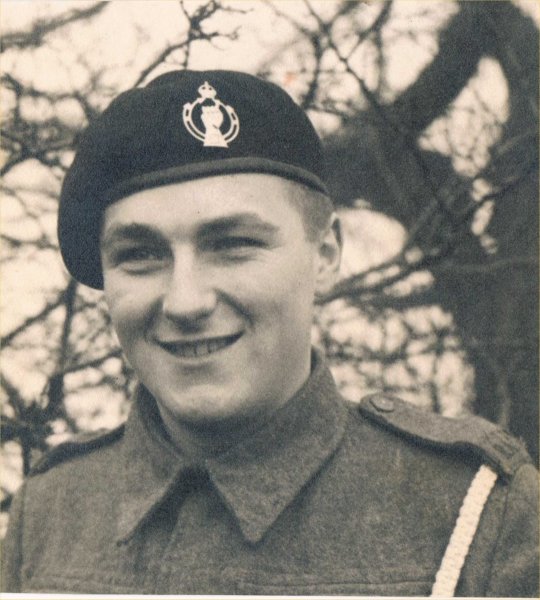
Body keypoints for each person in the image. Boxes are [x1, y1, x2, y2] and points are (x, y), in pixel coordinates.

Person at [1, 70, 538, 596]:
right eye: (140, 255)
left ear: (325, 254)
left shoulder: (476, 513)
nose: (185, 301)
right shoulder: (49, 513)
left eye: (233, 244)